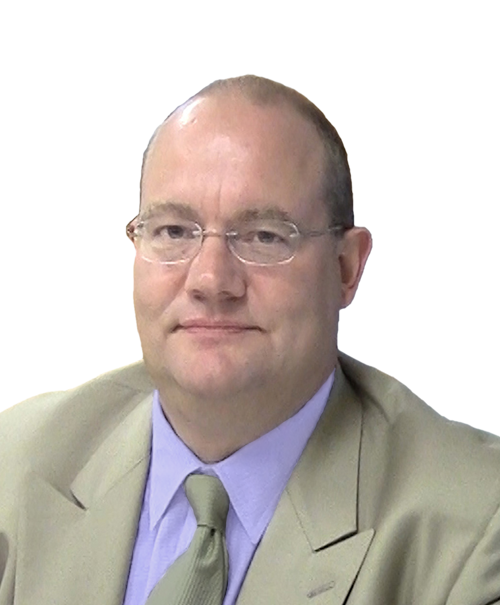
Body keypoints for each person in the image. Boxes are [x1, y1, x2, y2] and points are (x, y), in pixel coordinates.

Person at [1, 76, 499, 605]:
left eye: (265, 237)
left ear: (346, 268)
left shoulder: (475, 529)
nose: (210, 280)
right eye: (174, 231)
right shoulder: (17, 465)